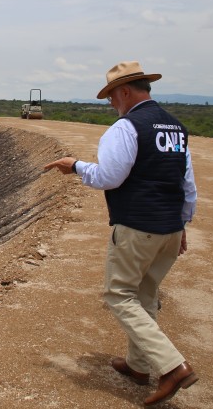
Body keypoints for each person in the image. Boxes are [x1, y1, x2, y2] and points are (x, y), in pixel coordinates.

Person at [44, 61, 199, 406]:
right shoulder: (176, 128)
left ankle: (173, 367)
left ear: (125, 91)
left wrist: (75, 166)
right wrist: (182, 225)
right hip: (169, 230)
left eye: (112, 97)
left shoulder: (126, 127)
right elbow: (188, 185)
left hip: (138, 228)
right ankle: (138, 366)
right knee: (145, 293)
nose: (111, 104)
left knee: (119, 296)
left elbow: (109, 177)